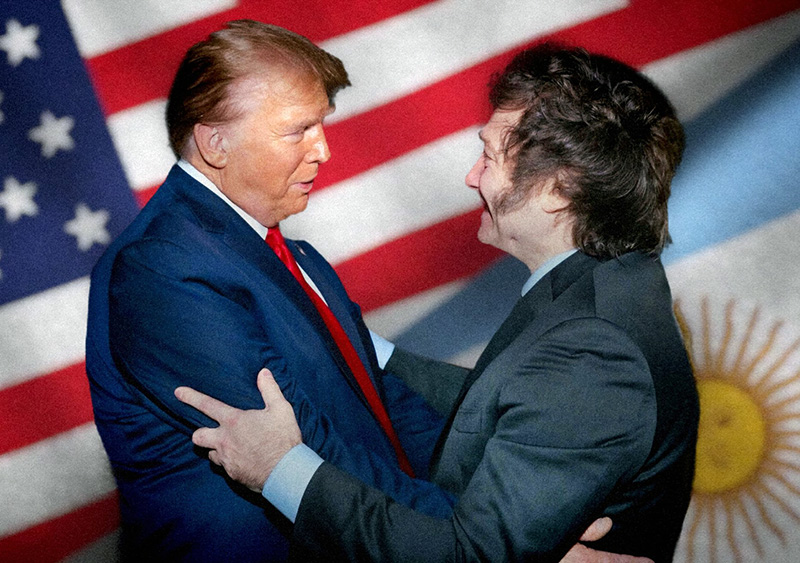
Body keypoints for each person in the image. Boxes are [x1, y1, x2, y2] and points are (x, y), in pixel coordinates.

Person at [86, 22, 624, 562]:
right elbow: (306, 449)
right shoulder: (162, 266)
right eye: (297, 130)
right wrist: (504, 548)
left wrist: (511, 522)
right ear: (215, 143)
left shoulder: (294, 257)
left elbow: (388, 406)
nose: (322, 150)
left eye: (321, 125)